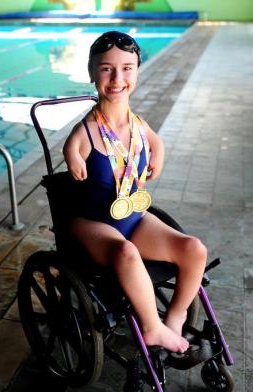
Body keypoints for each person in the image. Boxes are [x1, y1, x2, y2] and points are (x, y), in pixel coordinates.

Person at [63, 31, 207, 353]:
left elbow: (157, 142)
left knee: (194, 249)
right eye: (106, 69)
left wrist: (159, 155)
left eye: (127, 68)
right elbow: (71, 148)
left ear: (137, 71)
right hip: (93, 223)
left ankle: (175, 316)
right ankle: (152, 328)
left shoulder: (137, 123)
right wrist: (73, 156)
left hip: (132, 217)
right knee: (126, 253)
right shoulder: (85, 131)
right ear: (91, 73)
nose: (117, 78)